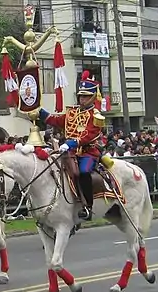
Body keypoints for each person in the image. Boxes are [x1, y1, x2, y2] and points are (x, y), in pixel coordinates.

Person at [39, 71, 114, 221]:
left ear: (93, 97)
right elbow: (55, 120)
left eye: (85, 96)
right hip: (69, 152)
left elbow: (89, 135)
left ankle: (88, 206)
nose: (82, 99)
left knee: (84, 172)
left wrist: (71, 142)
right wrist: (39, 112)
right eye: (81, 96)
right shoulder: (72, 112)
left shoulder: (96, 115)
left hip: (88, 152)